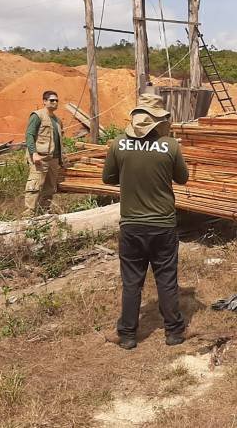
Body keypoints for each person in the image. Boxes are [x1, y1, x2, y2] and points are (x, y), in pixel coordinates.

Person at [102, 93, 189, 349]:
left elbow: (108, 179)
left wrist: (130, 175)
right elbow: (183, 178)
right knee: (166, 278)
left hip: (131, 225)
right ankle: (174, 332)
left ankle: (128, 335)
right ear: (158, 121)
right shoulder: (170, 146)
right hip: (163, 225)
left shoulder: (118, 145)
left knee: (131, 282)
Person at [23, 90, 64, 217]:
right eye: (52, 100)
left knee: (50, 187)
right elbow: (29, 135)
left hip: (54, 159)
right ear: (44, 101)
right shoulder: (37, 116)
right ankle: (29, 213)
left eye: (56, 100)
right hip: (40, 157)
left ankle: (44, 211)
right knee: (34, 185)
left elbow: (59, 140)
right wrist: (33, 153)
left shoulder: (57, 120)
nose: (55, 102)